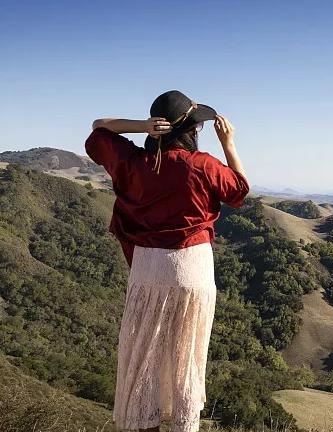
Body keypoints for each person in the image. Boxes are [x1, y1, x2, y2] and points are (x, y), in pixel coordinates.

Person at [85, 90, 250, 432]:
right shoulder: (202, 165)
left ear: (157, 128)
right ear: (190, 130)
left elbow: (99, 128)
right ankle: (182, 424)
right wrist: (229, 144)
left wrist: (142, 126)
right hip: (193, 267)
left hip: (148, 268)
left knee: (145, 350)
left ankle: (142, 422)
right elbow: (239, 191)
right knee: (185, 354)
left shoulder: (133, 163)